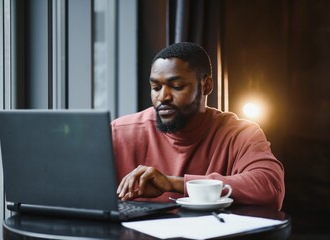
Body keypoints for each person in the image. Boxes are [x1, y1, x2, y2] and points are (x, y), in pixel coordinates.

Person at [111, 42, 285, 210]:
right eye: (156, 87)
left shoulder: (239, 134)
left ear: (206, 85)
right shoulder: (118, 132)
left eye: (176, 86)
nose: (163, 97)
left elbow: (270, 188)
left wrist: (173, 183)